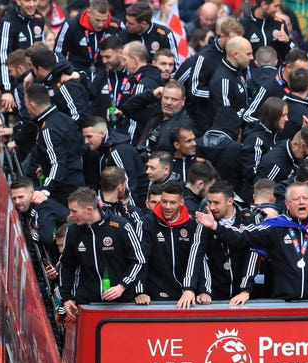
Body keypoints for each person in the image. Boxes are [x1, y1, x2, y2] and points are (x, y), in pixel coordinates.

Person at [195, 182, 308, 304]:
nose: (302, 202)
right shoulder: (274, 226)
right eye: (296, 199)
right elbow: (242, 235)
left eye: (305, 198)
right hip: (285, 302)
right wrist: (215, 226)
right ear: (287, 203)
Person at [58, 187, 145, 322]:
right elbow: (67, 265)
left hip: (121, 302)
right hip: (87, 303)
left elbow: (138, 260)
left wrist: (122, 286)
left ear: (89, 209)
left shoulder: (121, 226)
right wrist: (67, 298)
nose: (70, 215)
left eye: (74, 211)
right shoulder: (73, 231)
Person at [136, 181, 208, 308]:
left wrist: (202, 290)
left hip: (187, 291)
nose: (167, 206)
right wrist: (140, 290)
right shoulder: (146, 223)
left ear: (181, 202)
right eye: (164, 201)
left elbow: (198, 259)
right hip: (156, 292)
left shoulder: (193, 225)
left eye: (173, 203)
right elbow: (140, 258)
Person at [24, 84, 85, 205]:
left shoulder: (47, 129)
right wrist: (46, 165)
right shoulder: (65, 118)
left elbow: (58, 163)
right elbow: (70, 151)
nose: (26, 108)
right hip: (78, 181)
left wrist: (46, 190)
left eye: (25, 103)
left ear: (32, 105)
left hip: (64, 191)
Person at [81, 116, 149, 208]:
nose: (86, 141)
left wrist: (131, 214)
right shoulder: (102, 149)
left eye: (89, 137)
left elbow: (128, 186)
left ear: (102, 133)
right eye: (85, 137)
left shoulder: (119, 151)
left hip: (133, 207)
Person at [53, 0, 123, 74]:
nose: (100, 25)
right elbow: (58, 53)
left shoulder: (116, 25)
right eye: (97, 20)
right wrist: (67, 72)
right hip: (77, 72)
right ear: (89, 13)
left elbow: (125, 49)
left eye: (104, 20)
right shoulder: (71, 25)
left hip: (106, 72)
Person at [239, 0, 291, 64]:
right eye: (276, 6)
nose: (278, 10)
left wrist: (286, 42)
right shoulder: (243, 25)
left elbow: (286, 56)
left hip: (275, 72)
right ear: (264, 5)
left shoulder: (279, 24)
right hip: (251, 72)